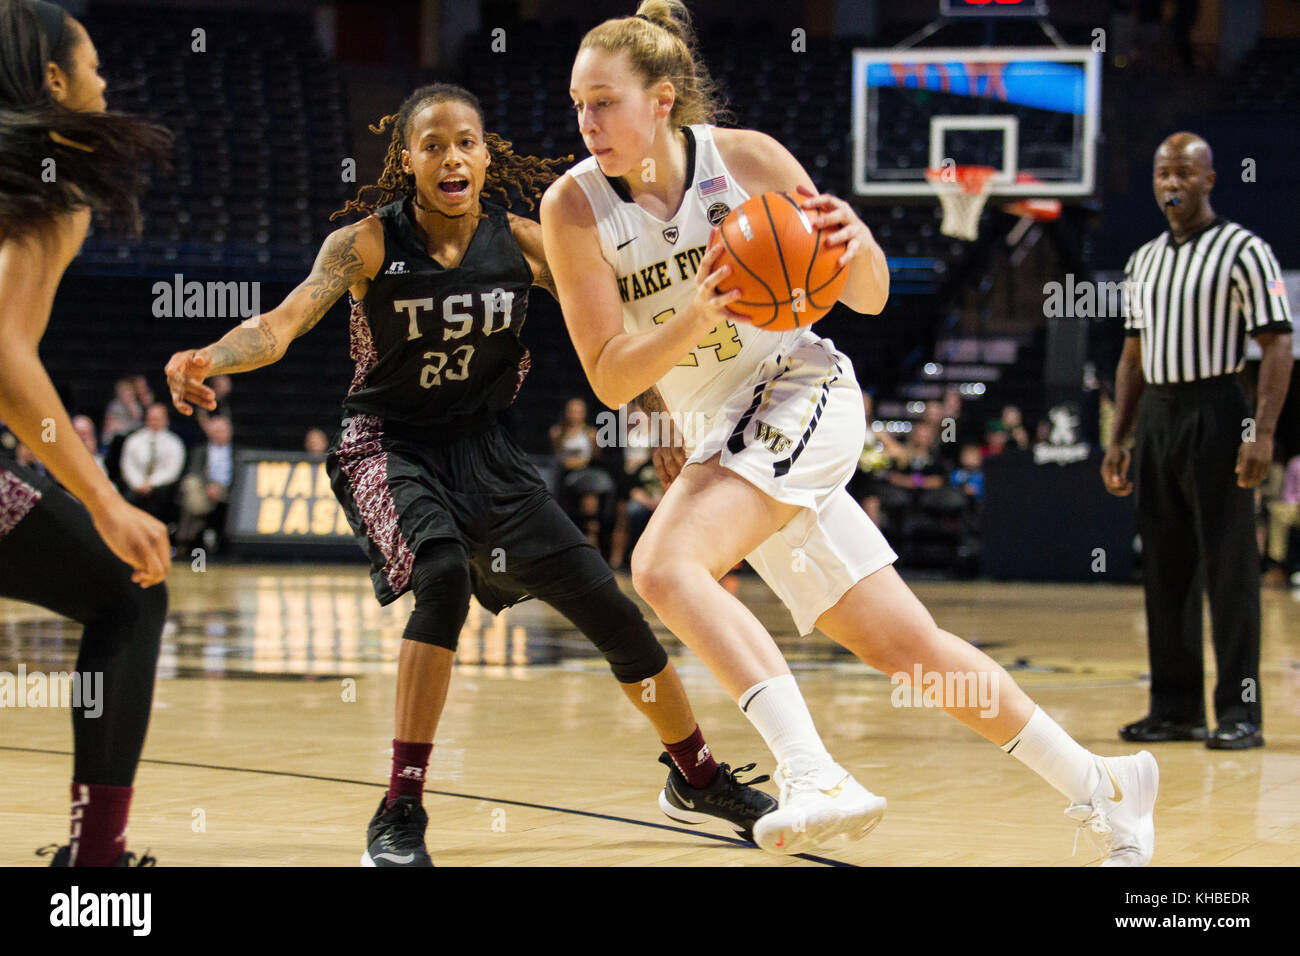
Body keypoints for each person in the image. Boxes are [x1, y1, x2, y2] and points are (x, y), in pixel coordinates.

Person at [542, 0, 1158, 863]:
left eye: (604, 100)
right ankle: (1107, 787)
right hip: (728, 431)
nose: (587, 121)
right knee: (908, 648)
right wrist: (700, 310)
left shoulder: (746, 159)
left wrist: (858, 241)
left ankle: (813, 771)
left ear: (664, 99)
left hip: (803, 390)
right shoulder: (573, 208)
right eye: (578, 103)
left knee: (665, 564)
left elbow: (865, 292)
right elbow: (611, 372)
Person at [163, 81, 774, 867]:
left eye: (466, 142)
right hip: (388, 444)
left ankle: (697, 776)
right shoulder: (368, 244)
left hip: (489, 451)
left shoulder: (526, 242)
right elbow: (280, 325)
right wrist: (210, 354)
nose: (451, 156)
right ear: (408, 161)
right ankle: (400, 809)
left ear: (486, 156)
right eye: (432, 144)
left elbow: (613, 331)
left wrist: (654, 411)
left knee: (615, 615)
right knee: (444, 576)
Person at [0, 0, 171, 866]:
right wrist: (102, 500)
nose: (108, 85)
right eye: (94, 67)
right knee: (132, 589)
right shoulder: (51, 189)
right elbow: (1, 352)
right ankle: (97, 865)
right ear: (56, 82)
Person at [1102, 132, 1293, 750]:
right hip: (1158, 412)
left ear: (1210, 179)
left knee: (1231, 570)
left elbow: (1277, 345)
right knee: (1165, 568)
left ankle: (1240, 714)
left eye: (1184, 172)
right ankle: (1175, 707)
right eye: (1163, 173)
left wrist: (1261, 432)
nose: (1172, 183)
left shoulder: (1245, 250)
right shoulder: (1143, 261)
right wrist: (1119, 435)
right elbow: (1131, 353)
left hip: (1217, 408)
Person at [119, 403, 186, 525]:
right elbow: (127, 466)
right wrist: (138, 483)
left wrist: (152, 483)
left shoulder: (174, 443)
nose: (154, 422)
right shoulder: (134, 440)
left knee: (162, 498)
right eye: (151, 418)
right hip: (136, 486)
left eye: (158, 418)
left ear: (166, 420)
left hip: (161, 487)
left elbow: (172, 470)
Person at [175, 415, 234, 552]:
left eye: (221, 431)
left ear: (229, 433)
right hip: (205, 488)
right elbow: (195, 471)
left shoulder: (237, 453)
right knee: (190, 486)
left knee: (192, 503)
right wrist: (209, 486)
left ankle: (187, 537)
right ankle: (195, 533)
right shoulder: (200, 451)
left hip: (228, 489)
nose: (218, 435)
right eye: (215, 431)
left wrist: (220, 488)